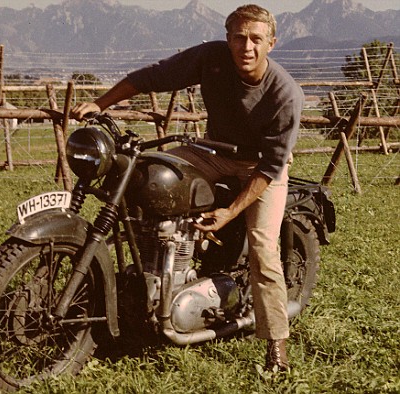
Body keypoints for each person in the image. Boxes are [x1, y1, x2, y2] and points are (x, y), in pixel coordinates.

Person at [71, 4, 304, 372]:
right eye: (239, 37)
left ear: (271, 43)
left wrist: (230, 212)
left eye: (256, 39)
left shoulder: (284, 93)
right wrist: (100, 103)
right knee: (149, 173)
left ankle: (276, 344)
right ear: (227, 39)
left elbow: (272, 165)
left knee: (263, 248)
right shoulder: (211, 57)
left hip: (259, 166)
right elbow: (156, 76)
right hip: (212, 151)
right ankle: (153, 274)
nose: (247, 46)